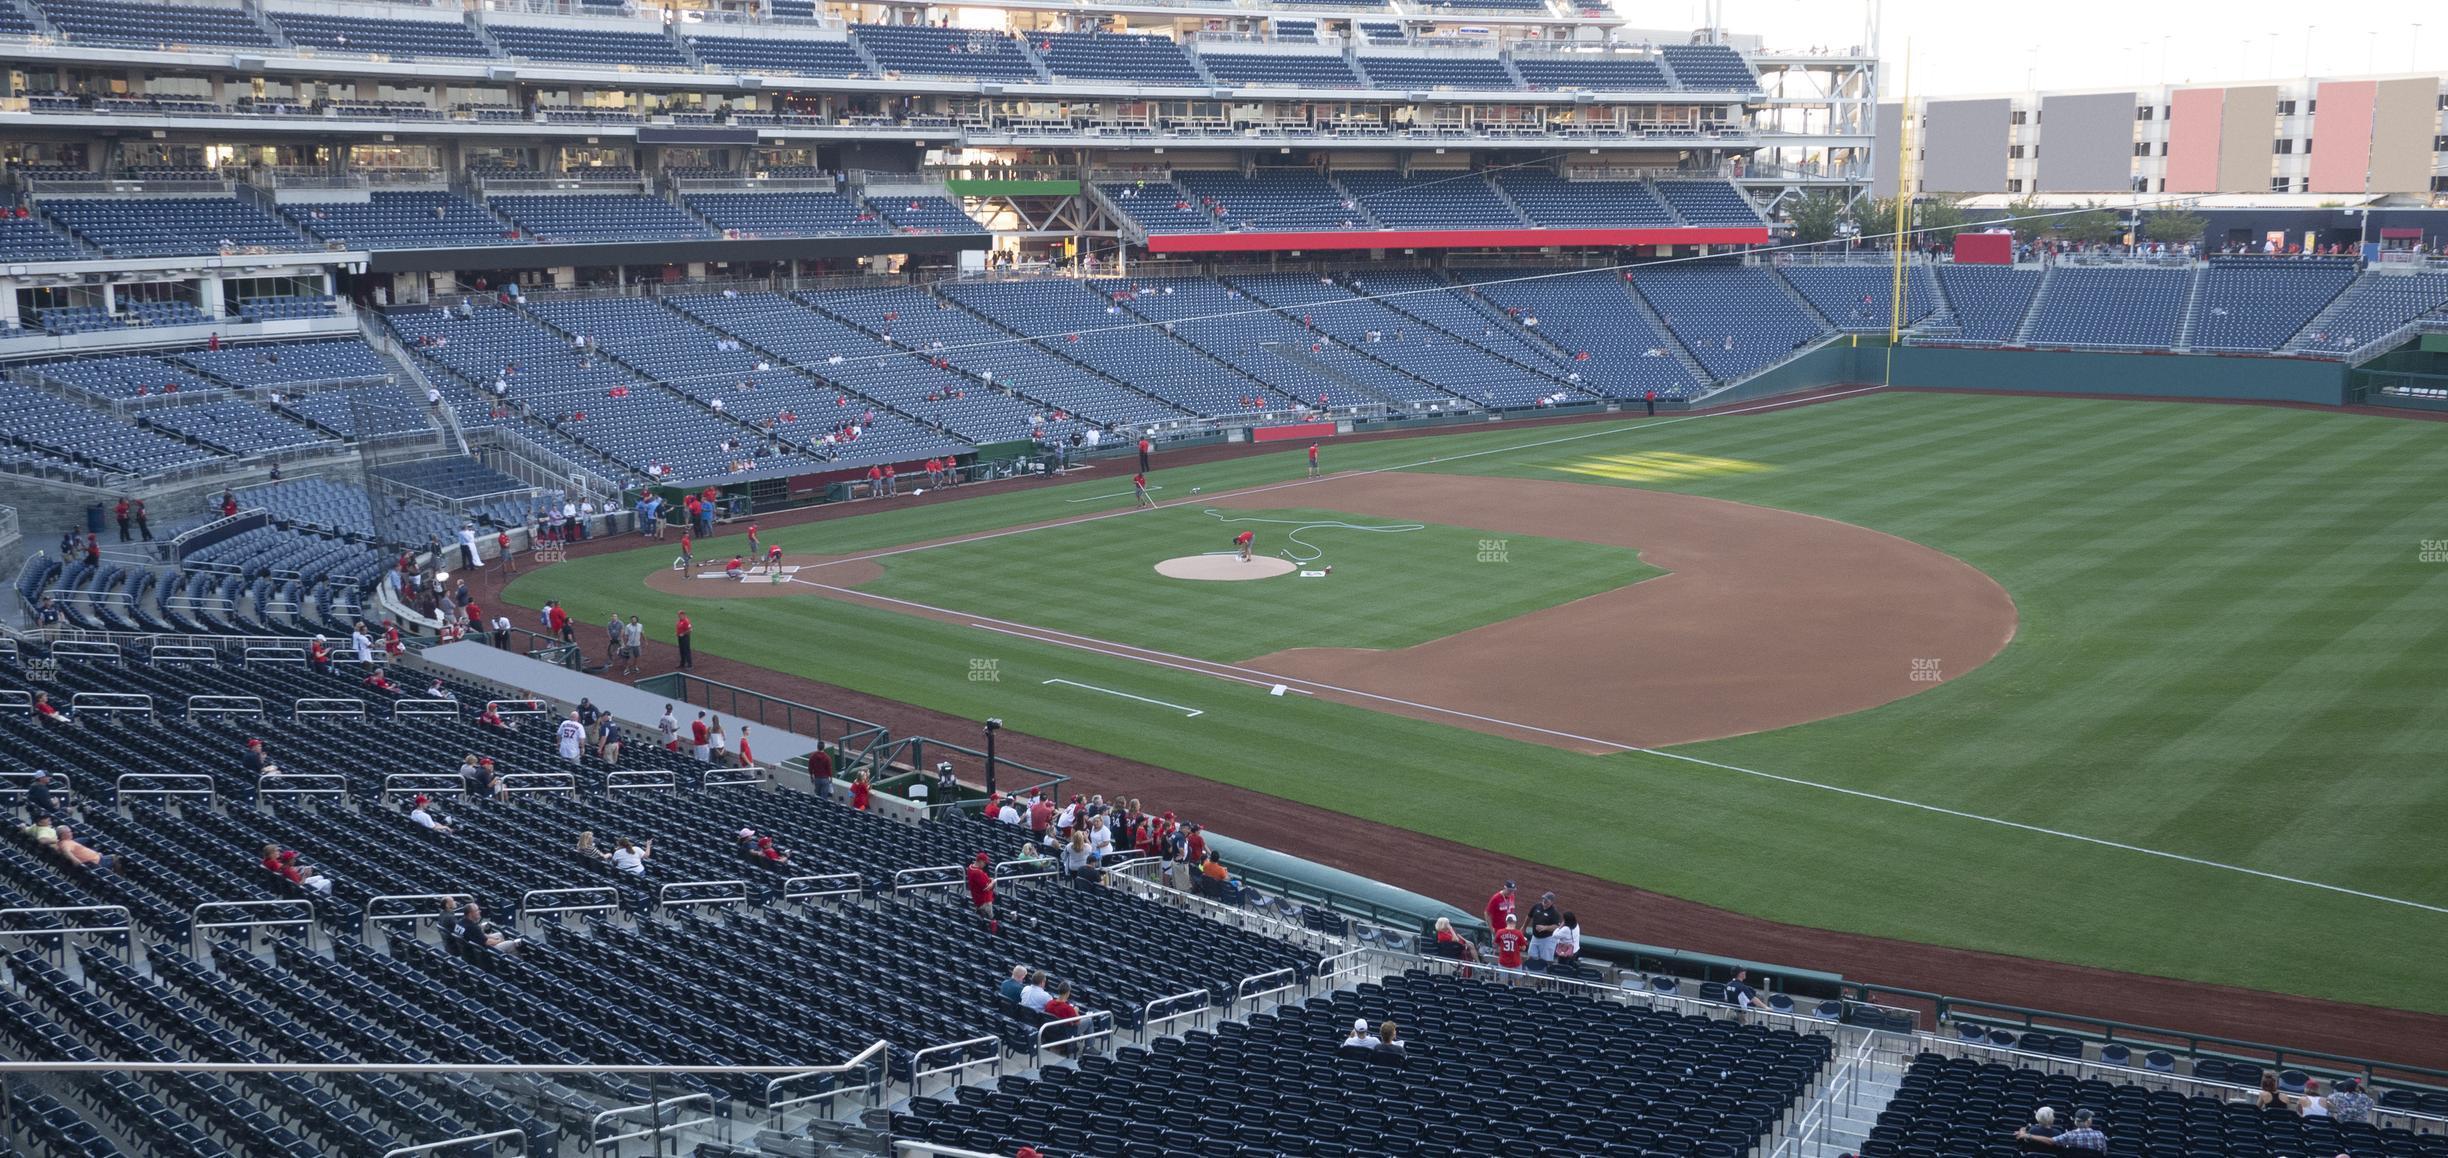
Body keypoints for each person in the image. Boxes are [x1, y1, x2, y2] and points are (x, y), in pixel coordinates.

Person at [452, 902, 524, 955]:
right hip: (483, 953)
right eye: (477, 910)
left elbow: (480, 936)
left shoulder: (460, 922)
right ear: (470, 914)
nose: (479, 911)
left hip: (471, 950)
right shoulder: (472, 927)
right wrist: (500, 941)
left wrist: (494, 938)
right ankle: (518, 964)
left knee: (499, 934)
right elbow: (487, 942)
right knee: (511, 943)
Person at [2019, 1109, 2105, 1151]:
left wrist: (2028, 1135)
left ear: (2075, 1122)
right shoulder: (2100, 1135)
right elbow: (2103, 1153)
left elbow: (2050, 1141)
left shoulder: (2070, 1135)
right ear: (2089, 1121)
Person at [965, 851, 999, 933]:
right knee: (992, 919)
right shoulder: (978, 872)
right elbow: (987, 888)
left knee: (981, 918)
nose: (985, 865)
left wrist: (989, 880)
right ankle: (993, 936)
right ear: (979, 861)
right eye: (984, 863)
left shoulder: (970, 867)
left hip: (977, 898)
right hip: (984, 900)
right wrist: (993, 882)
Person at [1525, 890, 1561, 966]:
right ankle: (1532, 974)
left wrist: (1545, 928)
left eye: (1546, 900)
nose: (1544, 901)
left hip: (1547, 939)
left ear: (1551, 902)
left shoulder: (1554, 913)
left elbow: (1556, 926)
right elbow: (1529, 916)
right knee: (1531, 956)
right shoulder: (1537, 906)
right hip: (1535, 937)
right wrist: (1523, 927)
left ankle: (1543, 976)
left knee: (1545, 961)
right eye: (1543, 899)